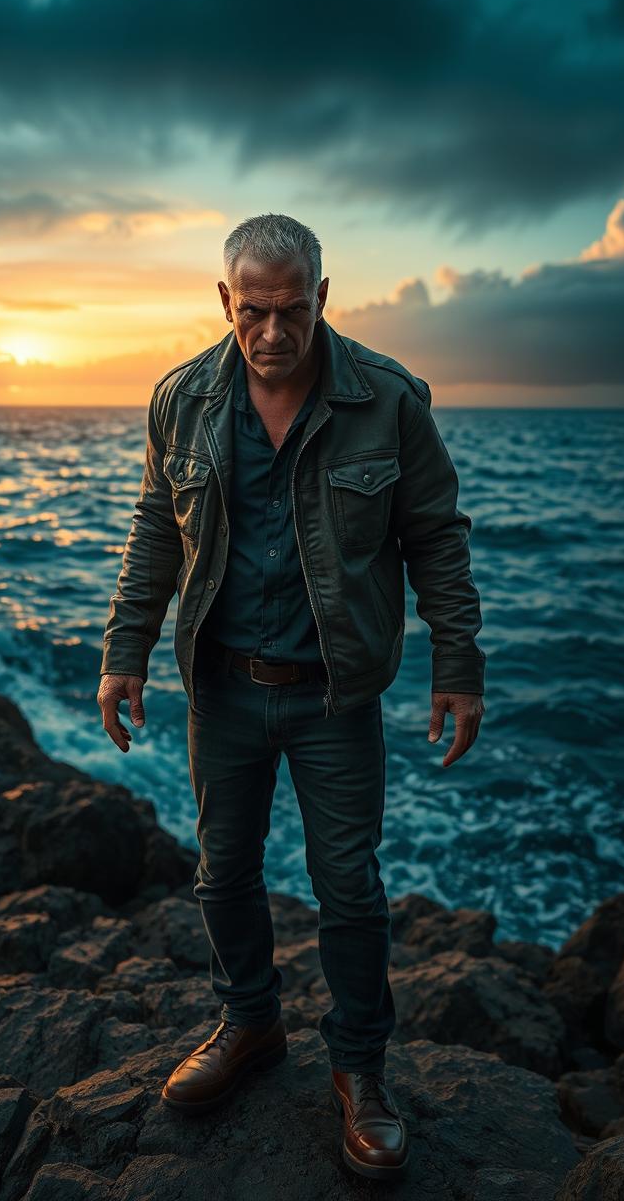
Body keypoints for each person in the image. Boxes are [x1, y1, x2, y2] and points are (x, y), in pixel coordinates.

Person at [97, 213, 486, 1182]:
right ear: (224, 301)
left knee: (347, 885)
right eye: (253, 312)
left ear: (323, 294)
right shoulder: (180, 399)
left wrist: (457, 663)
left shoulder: (388, 399)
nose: (273, 332)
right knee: (220, 871)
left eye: (292, 309)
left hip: (333, 697)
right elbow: (156, 529)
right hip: (221, 689)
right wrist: (123, 650)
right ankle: (249, 1022)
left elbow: (435, 533)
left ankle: (360, 1069)